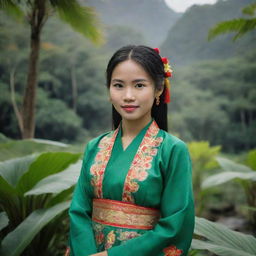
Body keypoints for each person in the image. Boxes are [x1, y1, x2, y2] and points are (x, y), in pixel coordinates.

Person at [67, 45, 195, 256]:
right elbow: (79, 211)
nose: (128, 96)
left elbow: (175, 225)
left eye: (139, 85)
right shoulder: (94, 147)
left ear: (159, 89)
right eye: (118, 85)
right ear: (108, 90)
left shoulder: (173, 150)